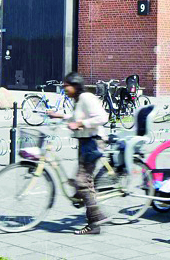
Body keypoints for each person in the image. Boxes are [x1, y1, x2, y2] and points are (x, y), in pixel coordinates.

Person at [50, 72, 109, 234]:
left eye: (66, 86)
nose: (64, 89)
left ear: (75, 85)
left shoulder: (86, 97)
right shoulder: (78, 100)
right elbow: (76, 117)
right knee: (83, 182)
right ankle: (93, 212)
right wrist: (61, 116)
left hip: (93, 142)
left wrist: (81, 123)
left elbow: (103, 117)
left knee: (82, 182)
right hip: (84, 142)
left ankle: (95, 221)